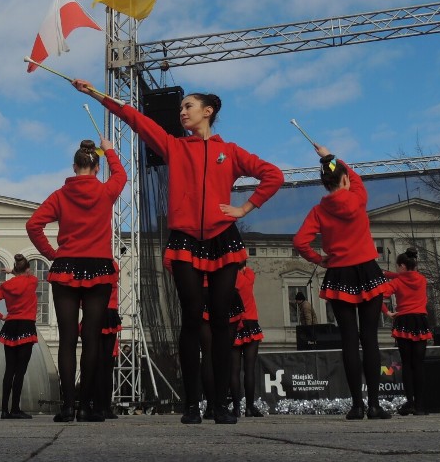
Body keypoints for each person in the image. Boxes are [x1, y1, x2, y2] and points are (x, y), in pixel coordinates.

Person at [72, 81, 283, 425]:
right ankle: (191, 405)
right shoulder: (174, 147)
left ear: (208, 111)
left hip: (222, 240)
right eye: (181, 108)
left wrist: (244, 208)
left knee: (220, 323)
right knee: (190, 319)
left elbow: (273, 175)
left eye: (188, 106)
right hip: (185, 240)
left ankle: (219, 405)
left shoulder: (228, 151)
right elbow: (136, 119)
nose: (182, 112)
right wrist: (96, 94)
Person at [26, 136, 127, 422]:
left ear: (73, 167)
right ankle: (86, 407)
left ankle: (67, 407)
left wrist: (52, 253)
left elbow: (33, 225)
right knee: (92, 339)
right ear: (96, 169)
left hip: (66, 265)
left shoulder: (60, 195)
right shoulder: (106, 191)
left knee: (68, 338)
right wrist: (109, 151)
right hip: (98, 265)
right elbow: (121, 175)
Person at [293, 144, 391, 420]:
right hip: (367, 272)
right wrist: (329, 156)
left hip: (339, 275)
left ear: (324, 184)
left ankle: (357, 406)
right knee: (369, 338)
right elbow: (355, 177)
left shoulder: (318, 211)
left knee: (349, 339)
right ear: (345, 179)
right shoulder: (358, 197)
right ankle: (374, 405)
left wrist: (318, 259)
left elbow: (299, 241)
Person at [0, 254, 39, 420]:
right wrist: (14, 271)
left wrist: (1, 316)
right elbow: (26, 276)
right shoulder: (32, 281)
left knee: (9, 369)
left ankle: (4, 410)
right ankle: (15, 408)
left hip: (10, 325)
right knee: (20, 371)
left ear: (15, 269)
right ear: (28, 269)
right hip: (26, 326)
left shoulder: (5, 286)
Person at [382, 248, 432, 416]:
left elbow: (379, 295)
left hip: (404, 320)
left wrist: (386, 312)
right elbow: (408, 276)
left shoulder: (397, 282)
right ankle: (420, 405)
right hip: (420, 320)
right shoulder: (422, 279)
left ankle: (410, 402)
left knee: (407, 364)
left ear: (402, 266)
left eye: (397, 267)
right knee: (419, 364)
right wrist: (391, 274)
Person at [230, 262, 263, 418]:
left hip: (235, 323)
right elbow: (249, 270)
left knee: (234, 371)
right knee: (249, 369)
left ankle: (236, 408)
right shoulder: (248, 276)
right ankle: (249, 407)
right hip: (251, 322)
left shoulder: (230, 279)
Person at [96, 262, 122, 420]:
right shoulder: (111, 265)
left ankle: (97, 406)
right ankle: (104, 406)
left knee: (97, 364)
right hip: (110, 311)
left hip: (97, 311)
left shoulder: (91, 265)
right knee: (106, 366)